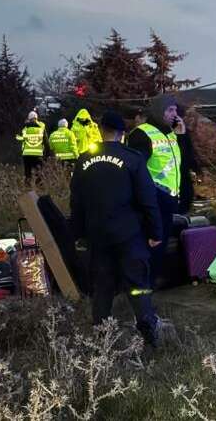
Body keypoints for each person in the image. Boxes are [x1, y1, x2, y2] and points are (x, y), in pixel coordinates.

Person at [69, 111, 164, 347]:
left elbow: (77, 202)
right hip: (129, 233)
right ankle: (148, 330)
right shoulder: (132, 159)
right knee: (138, 284)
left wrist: (79, 234)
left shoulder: (83, 161)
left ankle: (102, 338)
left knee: (102, 286)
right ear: (122, 134)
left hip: (97, 235)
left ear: (102, 131)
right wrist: (155, 233)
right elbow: (147, 199)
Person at [126, 95, 187, 283]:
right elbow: (136, 170)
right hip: (152, 201)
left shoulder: (170, 134)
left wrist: (181, 136)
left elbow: (181, 163)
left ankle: (149, 288)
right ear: (158, 111)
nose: (174, 114)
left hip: (168, 200)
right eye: (170, 110)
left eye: (175, 110)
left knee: (159, 249)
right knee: (151, 247)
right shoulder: (142, 134)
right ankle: (143, 290)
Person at [174, 103, 202, 214]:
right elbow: (188, 152)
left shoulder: (180, 130)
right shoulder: (178, 130)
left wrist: (195, 167)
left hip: (181, 177)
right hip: (178, 178)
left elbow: (188, 152)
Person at [16, 111, 45, 181]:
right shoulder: (41, 128)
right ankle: (39, 189)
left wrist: (24, 125)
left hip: (27, 154)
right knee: (38, 173)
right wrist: (47, 153)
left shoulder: (25, 129)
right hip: (38, 154)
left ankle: (27, 188)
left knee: (27, 173)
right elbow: (46, 141)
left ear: (29, 119)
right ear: (37, 118)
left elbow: (19, 137)